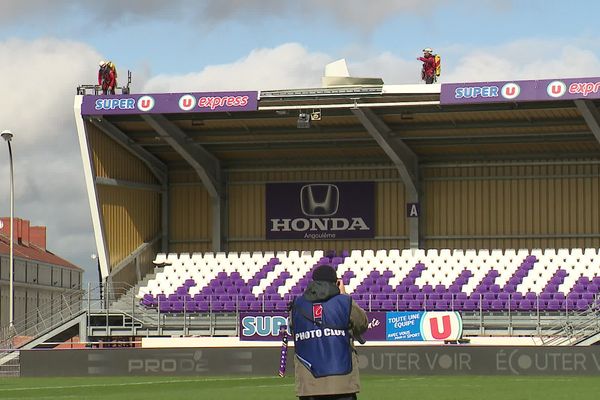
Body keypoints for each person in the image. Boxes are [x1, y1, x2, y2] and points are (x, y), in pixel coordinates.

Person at [290, 264, 368, 400]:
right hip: (342, 382)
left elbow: (293, 330)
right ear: (336, 282)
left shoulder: (297, 305)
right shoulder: (345, 302)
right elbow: (362, 325)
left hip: (309, 385)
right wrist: (344, 294)